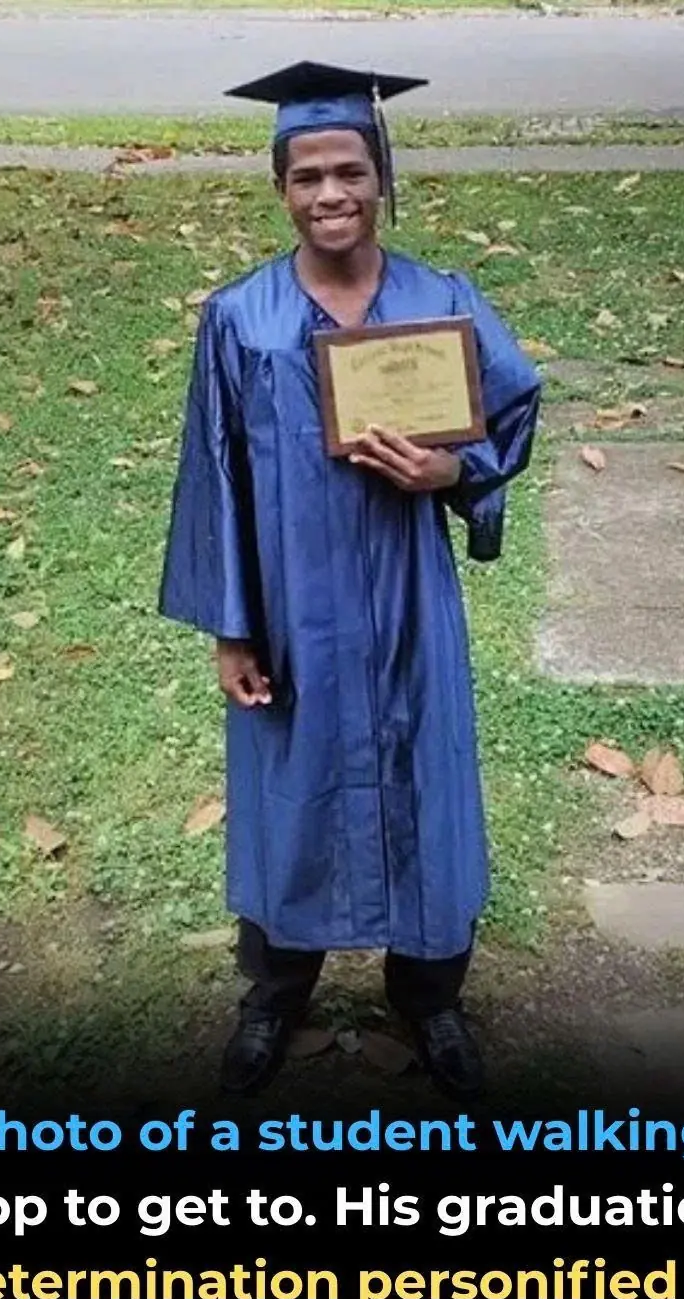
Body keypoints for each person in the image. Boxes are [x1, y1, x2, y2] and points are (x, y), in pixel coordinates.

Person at [157, 61, 541, 1102]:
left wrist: (453, 471)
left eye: (350, 171)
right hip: (292, 609)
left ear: (383, 178)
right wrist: (233, 632)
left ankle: (431, 996)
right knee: (290, 787)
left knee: (426, 778)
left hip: (410, 601)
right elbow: (217, 477)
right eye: (308, 175)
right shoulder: (242, 319)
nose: (331, 193)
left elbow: (510, 411)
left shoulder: (439, 300)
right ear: (280, 188)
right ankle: (275, 993)